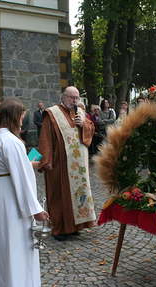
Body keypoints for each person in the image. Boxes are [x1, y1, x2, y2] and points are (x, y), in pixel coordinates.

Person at [0, 98, 49, 287]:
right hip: (10, 199)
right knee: (15, 245)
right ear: (13, 117)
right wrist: (35, 209)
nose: (22, 122)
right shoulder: (11, 141)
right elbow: (22, 178)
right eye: (22, 118)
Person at [38, 86, 96, 241]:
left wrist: (84, 124)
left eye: (76, 97)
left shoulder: (81, 113)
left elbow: (91, 128)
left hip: (79, 166)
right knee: (60, 195)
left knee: (76, 196)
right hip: (59, 164)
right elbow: (45, 138)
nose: (74, 100)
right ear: (63, 97)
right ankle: (59, 229)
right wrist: (46, 160)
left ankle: (75, 227)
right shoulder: (52, 114)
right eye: (71, 97)